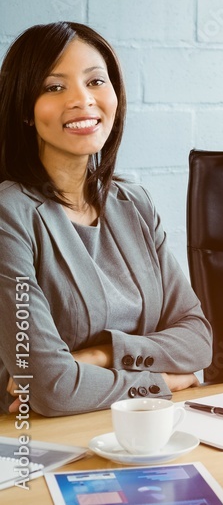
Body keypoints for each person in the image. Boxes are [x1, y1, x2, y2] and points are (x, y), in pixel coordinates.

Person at [0, 22, 211, 417]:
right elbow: (51, 388)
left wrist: (102, 354)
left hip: (140, 427)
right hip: (39, 440)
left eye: (96, 81)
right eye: (53, 87)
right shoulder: (9, 214)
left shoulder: (134, 203)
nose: (83, 100)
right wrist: (160, 382)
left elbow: (198, 339)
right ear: (25, 110)